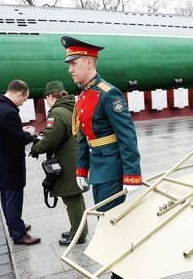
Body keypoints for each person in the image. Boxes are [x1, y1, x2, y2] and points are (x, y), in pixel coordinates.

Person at [61, 36, 142, 213]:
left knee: (110, 222)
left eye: (74, 64)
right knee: (104, 218)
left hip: (112, 170)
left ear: (89, 62)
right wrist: (81, 169)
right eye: (69, 65)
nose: (70, 70)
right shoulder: (83, 96)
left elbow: (127, 136)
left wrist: (132, 174)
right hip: (98, 169)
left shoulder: (109, 93)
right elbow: (84, 136)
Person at [30, 81, 89, 246]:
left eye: (46, 98)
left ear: (50, 96)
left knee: (71, 198)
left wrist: (36, 148)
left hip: (67, 161)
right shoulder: (72, 108)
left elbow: (51, 140)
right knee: (76, 196)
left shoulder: (57, 113)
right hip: (77, 157)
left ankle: (77, 234)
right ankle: (80, 229)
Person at [0, 79, 41, 245]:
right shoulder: (9, 111)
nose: (23, 103)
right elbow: (18, 140)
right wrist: (29, 133)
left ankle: (14, 225)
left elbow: (3, 132)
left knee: (6, 196)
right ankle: (19, 234)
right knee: (14, 198)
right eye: (24, 99)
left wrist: (19, 129)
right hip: (10, 163)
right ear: (19, 93)